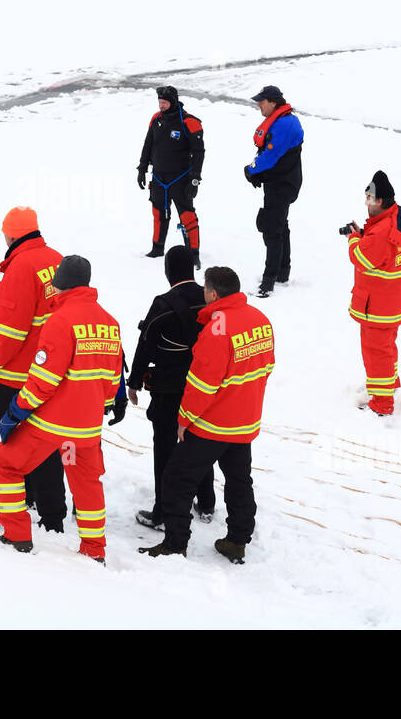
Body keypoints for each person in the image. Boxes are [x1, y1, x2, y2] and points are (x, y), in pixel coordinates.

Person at [0, 255, 123, 561]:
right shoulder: (110, 324)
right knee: (86, 484)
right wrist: (95, 409)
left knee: (7, 465)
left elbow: (43, 381)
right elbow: (112, 381)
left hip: (51, 426)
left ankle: (17, 535)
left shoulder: (60, 321)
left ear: (59, 284)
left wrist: (15, 411)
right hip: (86, 430)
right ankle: (94, 550)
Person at [140, 266, 274, 564]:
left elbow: (202, 384)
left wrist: (184, 419)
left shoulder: (216, 330)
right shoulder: (260, 320)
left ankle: (175, 544)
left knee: (176, 480)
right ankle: (237, 541)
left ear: (213, 293)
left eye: (205, 289)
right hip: (245, 421)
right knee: (240, 481)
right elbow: (266, 367)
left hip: (212, 424)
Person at [0, 206, 66, 530]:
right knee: (36, 433)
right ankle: (45, 509)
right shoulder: (56, 259)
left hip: (17, 374)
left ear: (10, 235)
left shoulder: (21, 268)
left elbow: (8, 333)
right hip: (49, 372)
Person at [126, 245, 215, 530]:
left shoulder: (163, 303)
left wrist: (135, 380)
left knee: (164, 447)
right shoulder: (210, 300)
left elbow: (146, 345)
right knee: (199, 442)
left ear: (168, 271)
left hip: (169, 389)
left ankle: (163, 511)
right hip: (204, 388)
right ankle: (206, 502)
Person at [344, 171, 401, 417]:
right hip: (391, 302)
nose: (366, 201)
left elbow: (362, 258)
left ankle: (382, 402)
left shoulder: (382, 232)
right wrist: (365, 236)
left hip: (377, 306)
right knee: (386, 348)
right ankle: (390, 384)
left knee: (376, 352)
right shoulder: (396, 219)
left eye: (369, 197)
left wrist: (354, 238)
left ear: (381, 201)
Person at [244, 84, 304, 298]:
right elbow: (270, 158)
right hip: (278, 181)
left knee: (272, 229)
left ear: (273, 102)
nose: (259, 105)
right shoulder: (280, 120)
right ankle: (282, 273)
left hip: (283, 185)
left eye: (262, 101)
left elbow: (271, 155)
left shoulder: (286, 124)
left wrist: (252, 170)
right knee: (280, 226)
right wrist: (258, 173)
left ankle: (268, 282)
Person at [136, 85, 204, 268]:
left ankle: (193, 253)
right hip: (159, 177)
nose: (161, 106)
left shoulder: (189, 122)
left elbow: (199, 152)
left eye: (164, 102)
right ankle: (157, 248)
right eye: (159, 102)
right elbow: (148, 144)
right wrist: (142, 168)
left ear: (173, 102)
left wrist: (195, 178)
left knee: (187, 215)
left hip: (180, 178)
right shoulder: (156, 119)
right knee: (158, 212)